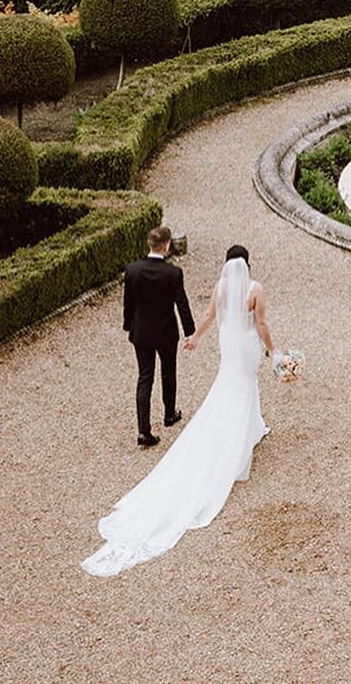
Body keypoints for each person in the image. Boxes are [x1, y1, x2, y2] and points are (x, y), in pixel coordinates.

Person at [83, 245, 275, 576]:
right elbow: (261, 323)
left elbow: (210, 317)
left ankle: (252, 424)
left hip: (230, 348)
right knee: (243, 386)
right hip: (245, 347)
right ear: (248, 264)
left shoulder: (221, 287)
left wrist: (194, 339)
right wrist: (275, 351)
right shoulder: (255, 289)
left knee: (234, 386)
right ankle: (241, 435)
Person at [122, 226, 195, 448]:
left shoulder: (132, 270)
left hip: (141, 331)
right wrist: (189, 331)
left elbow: (129, 303)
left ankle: (143, 431)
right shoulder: (173, 273)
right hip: (165, 331)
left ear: (149, 244)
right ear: (166, 245)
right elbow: (181, 303)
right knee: (168, 371)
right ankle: (169, 414)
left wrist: (128, 326)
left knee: (145, 377)